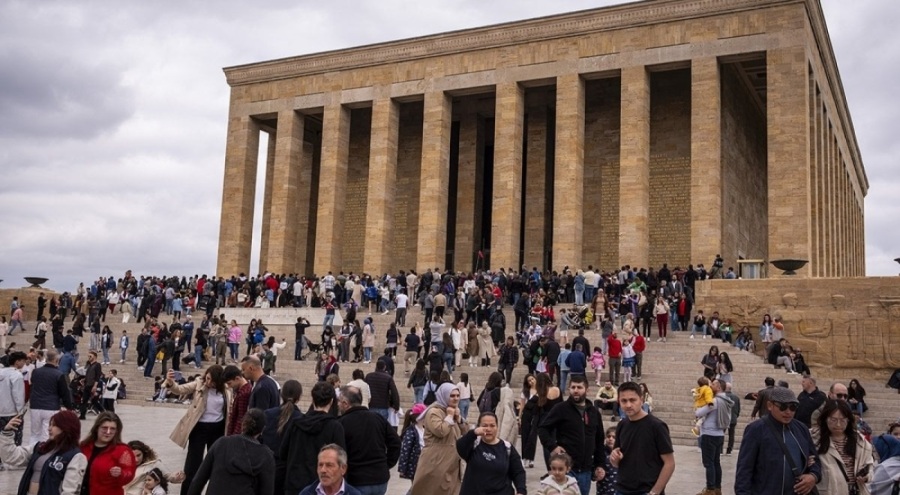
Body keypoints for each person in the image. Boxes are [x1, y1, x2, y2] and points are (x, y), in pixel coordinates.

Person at [734, 386, 822, 495]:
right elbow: (744, 470)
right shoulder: (756, 429)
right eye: (783, 407)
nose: (788, 412)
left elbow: (814, 459)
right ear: (770, 405)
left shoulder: (801, 429)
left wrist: (813, 476)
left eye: (793, 407)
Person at [164, 365, 231, 495]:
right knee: (192, 465)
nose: (209, 382)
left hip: (218, 428)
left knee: (216, 464)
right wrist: (170, 382)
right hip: (199, 428)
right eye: (207, 378)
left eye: (212, 381)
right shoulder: (198, 384)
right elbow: (179, 389)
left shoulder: (226, 389)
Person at [537, 375, 607, 495]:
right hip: (567, 468)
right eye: (573, 387)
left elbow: (599, 440)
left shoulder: (594, 412)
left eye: (579, 387)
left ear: (587, 390)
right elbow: (543, 428)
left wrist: (600, 464)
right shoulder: (560, 408)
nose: (576, 390)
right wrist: (552, 446)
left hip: (585, 470)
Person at [187, 408, 274, 495]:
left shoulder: (221, 443)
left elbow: (199, 480)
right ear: (263, 429)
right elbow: (267, 491)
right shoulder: (265, 455)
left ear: (243, 424)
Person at [609, 382, 675, 495]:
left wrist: (655, 491)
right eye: (624, 401)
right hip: (622, 488)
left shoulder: (657, 426)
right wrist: (614, 458)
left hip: (646, 490)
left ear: (641, 399)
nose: (628, 405)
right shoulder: (622, 425)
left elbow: (669, 463)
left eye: (632, 400)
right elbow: (616, 462)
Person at [0, 410, 87, 495]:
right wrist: (7, 432)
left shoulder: (76, 456)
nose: (49, 428)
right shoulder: (40, 447)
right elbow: (11, 457)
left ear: (66, 427)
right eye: (50, 425)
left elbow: (69, 491)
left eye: (54, 425)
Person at [282, 381, 346, 495]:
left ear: (313, 399)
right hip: (322, 484)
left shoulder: (296, 423)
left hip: (295, 482)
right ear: (331, 401)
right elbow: (340, 458)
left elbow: (283, 452)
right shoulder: (335, 426)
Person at [337, 386, 401, 495]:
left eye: (339, 401)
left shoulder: (342, 423)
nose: (337, 405)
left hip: (357, 480)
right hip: (380, 479)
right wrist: (386, 464)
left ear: (345, 403)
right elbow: (396, 442)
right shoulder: (377, 418)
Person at [410, 382, 470, 495]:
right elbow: (441, 431)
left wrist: (459, 419)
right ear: (444, 395)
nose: (456, 399)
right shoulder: (434, 412)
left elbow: (466, 431)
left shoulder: (453, 411)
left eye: (457, 395)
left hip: (451, 464)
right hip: (436, 463)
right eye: (452, 396)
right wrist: (449, 417)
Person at [456, 411, 527, 495]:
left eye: (492, 426)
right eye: (484, 426)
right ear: (479, 427)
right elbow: (460, 446)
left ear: (497, 427)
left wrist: (521, 491)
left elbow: (518, 472)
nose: (488, 429)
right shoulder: (474, 444)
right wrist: (473, 433)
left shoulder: (507, 448)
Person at [813, 400, 874, 495]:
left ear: (848, 420)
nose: (838, 424)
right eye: (833, 420)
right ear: (825, 419)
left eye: (842, 420)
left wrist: (866, 476)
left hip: (856, 491)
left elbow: (869, 465)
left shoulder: (860, 441)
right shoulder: (814, 439)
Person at [80, 411, 137, 495]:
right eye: (104, 428)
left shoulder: (123, 451)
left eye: (112, 429)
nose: (108, 432)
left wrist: (121, 473)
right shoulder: (83, 447)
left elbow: (129, 474)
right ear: (97, 428)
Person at [261, 380, 302, 495]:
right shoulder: (301, 419)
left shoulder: (268, 414)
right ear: (299, 397)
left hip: (268, 466)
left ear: (281, 395)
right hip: (289, 471)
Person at [695, 379, 733, 495]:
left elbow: (698, 413)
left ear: (719, 387)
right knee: (716, 462)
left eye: (713, 384)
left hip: (709, 434)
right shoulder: (726, 400)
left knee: (709, 463)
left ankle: (710, 489)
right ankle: (717, 487)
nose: (710, 386)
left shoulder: (715, 401)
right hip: (719, 434)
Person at [28, 348, 74, 445]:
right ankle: (43, 455)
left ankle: (32, 453)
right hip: (50, 406)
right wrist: (69, 407)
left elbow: (32, 385)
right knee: (46, 434)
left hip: (35, 405)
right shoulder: (59, 374)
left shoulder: (36, 372)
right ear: (56, 360)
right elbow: (64, 393)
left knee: (34, 434)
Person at [522, 372, 562, 470]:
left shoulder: (541, 393)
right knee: (556, 444)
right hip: (557, 420)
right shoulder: (557, 389)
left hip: (545, 422)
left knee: (547, 446)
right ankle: (558, 468)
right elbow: (562, 404)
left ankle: (550, 470)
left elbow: (529, 406)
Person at [0, 351, 28, 446]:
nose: (24, 364)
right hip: (11, 412)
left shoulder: (1, 373)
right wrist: (20, 411)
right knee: (14, 439)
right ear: (17, 362)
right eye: (23, 361)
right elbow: (18, 395)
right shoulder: (16, 375)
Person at [398, 404, 427, 492]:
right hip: (414, 466)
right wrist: (402, 468)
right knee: (416, 488)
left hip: (424, 464)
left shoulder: (424, 429)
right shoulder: (411, 432)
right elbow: (405, 451)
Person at [723, 382, 741, 456]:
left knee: (721, 434)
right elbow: (738, 409)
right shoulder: (736, 397)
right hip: (733, 418)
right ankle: (729, 450)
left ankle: (720, 449)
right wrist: (736, 416)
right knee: (731, 435)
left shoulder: (723, 396)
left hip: (724, 418)